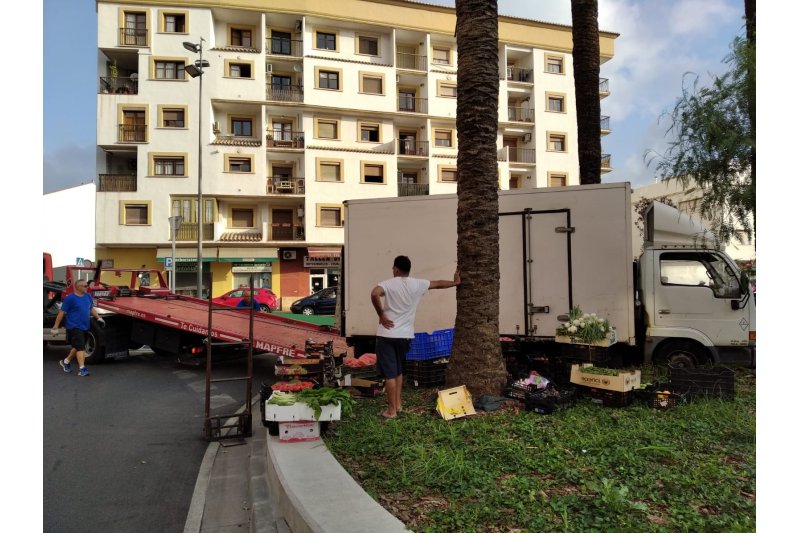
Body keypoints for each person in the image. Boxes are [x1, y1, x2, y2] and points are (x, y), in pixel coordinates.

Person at [370, 255, 460, 419]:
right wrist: (454, 283)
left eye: (393, 268)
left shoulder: (388, 284)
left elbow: (375, 293)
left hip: (387, 335)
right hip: (405, 336)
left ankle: (391, 411)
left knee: (389, 374)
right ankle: (398, 405)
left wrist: (381, 314)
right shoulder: (417, 284)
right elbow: (438, 283)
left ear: (396, 269)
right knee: (398, 370)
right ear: (408, 270)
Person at [52, 279, 104, 377]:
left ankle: (66, 362)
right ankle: (82, 369)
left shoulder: (88, 296)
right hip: (73, 326)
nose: (87, 287)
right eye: (85, 286)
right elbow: (61, 313)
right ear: (78, 287)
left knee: (77, 347)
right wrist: (55, 327)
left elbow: (91, 308)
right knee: (80, 347)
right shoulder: (70, 298)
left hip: (85, 325)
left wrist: (99, 318)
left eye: (87, 285)